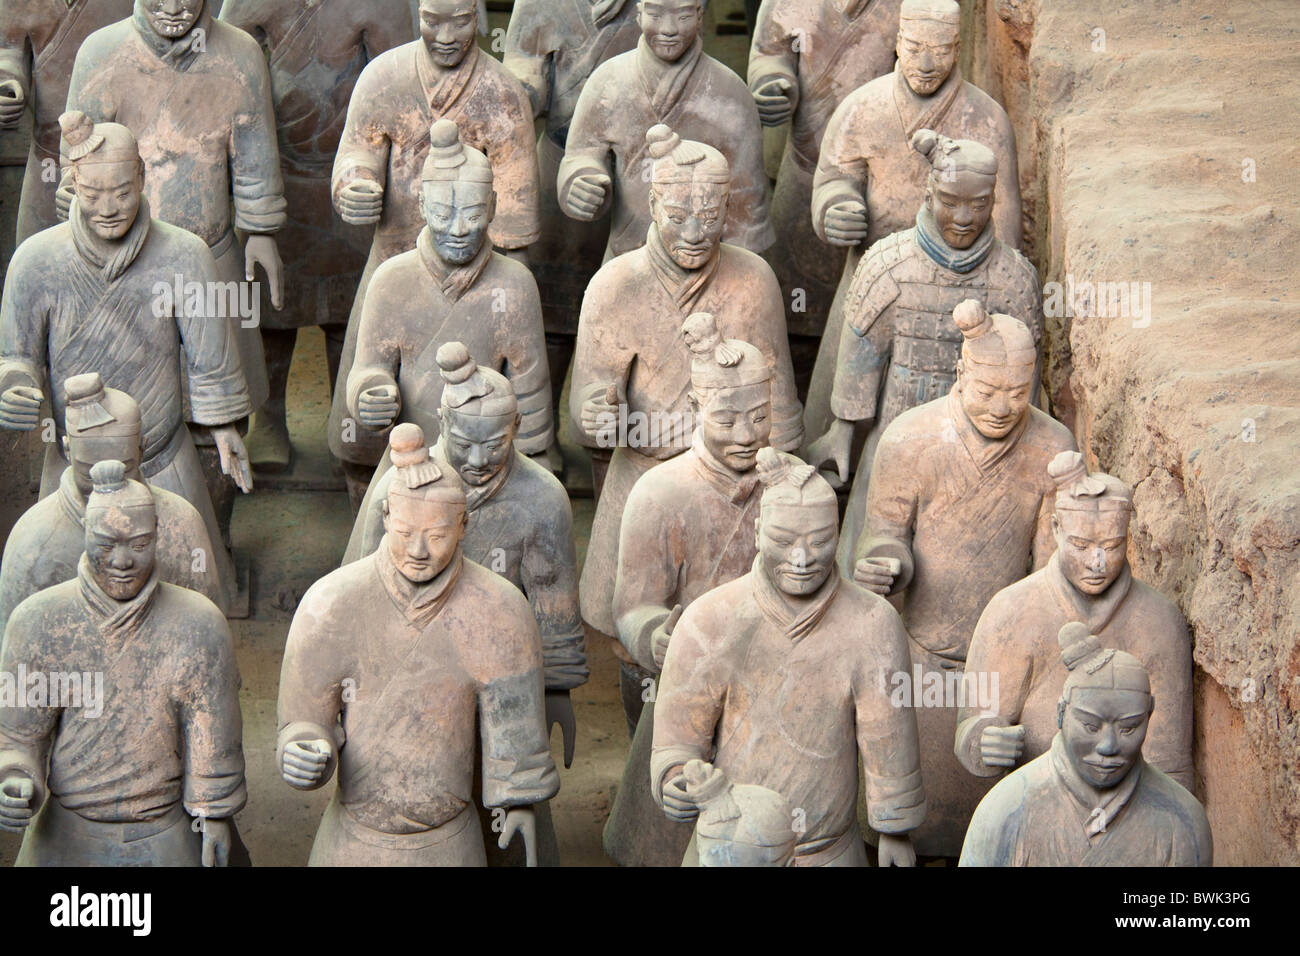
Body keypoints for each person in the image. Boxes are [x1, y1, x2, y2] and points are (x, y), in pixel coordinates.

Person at [0, 114, 252, 613]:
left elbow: (209, 357)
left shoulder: (184, 255)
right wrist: (15, 386)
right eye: (92, 195)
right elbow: (17, 357)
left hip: (162, 461)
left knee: (192, 603)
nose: (109, 209)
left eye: (121, 191)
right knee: (59, 603)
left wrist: (224, 427)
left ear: (142, 177)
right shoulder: (36, 261)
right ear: (73, 184)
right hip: (74, 470)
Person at [852, 299, 1076, 858]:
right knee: (909, 825)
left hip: (1009, 670)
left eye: (1017, 393)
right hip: (921, 660)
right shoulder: (910, 438)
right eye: (986, 392)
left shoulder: (1053, 448)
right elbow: (883, 534)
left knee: (999, 836)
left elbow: (1051, 572)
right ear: (960, 373)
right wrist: (887, 564)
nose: (1002, 408)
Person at [276, 438, 559, 865]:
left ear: (464, 526)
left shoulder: (499, 608)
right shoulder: (331, 602)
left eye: (438, 535)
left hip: (449, 842)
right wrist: (302, 747)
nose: (419, 551)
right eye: (406, 533)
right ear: (386, 517)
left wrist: (519, 804)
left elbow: (513, 733)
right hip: (352, 841)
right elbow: (303, 721)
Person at [651, 448, 926, 867]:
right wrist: (675, 778)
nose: (802, 558)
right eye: (783, 540)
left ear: (838, 532)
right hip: (730, 853)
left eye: (820, 541)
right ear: (758, 531)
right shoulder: (709, 620)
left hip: (829, 852)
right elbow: (677, 743)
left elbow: (887, 737)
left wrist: (894, 828)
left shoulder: (873, 622)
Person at [0, 459, 246, 866]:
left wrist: (214, 815)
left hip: (164, 823)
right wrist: (15, 778)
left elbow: (210, 737)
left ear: (157, 537)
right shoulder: (38, 622)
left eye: (138, 543)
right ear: (84, 534)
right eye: (106, 543)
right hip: (67, 824)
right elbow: (18, 737)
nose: (122, 560)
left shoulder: (199, 623)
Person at [957, 451, 1193, 788]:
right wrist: (983, 740)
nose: (1097, 562)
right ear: (1055, 529)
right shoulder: (1012, 610)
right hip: (1035, 800)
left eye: (1112, 546)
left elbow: (1170, 767)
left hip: (1131, 813)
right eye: (1081, 545)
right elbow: (975, 722)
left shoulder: (1159, 620)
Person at [959, 623, 1212, 867]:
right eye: (1090, 726)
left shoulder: (1183, 820)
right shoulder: (1004, 810)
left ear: (1150, 715)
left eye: (1128, 728)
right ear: (1061, 713)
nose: (1108, 746)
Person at [0, 374, 225, 634]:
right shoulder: (33, 539)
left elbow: (207, 631)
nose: (107, 483)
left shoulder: (182, 525)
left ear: (141, 449)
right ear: (68, 450)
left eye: (123, 469)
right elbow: (16, 650)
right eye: (89, 473)